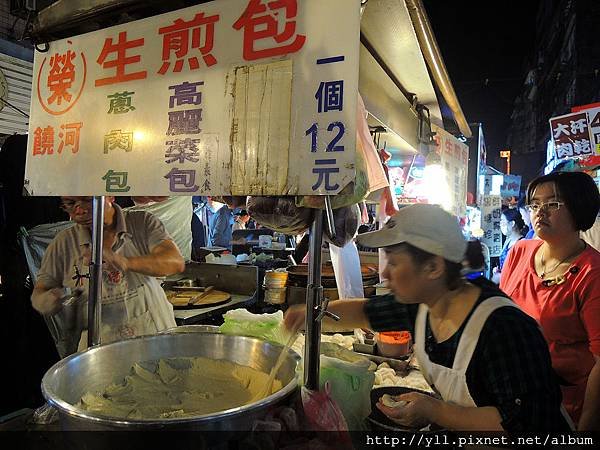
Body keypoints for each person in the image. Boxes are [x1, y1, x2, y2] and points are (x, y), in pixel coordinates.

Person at [284, 204, 571, 431]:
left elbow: (526, 425)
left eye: (394, 263)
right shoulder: (424, 303)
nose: (384, 273)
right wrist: (311, 314)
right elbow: (362, 312)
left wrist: (435, 411)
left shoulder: (504, 329)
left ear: (433, 267)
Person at [500, 171, 600, 430]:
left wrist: (585, 430)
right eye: (534, 204)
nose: (540, 212)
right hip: (512, 393)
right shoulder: (520, 252)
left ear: (579, 207)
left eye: (552, 204)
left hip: (563, 407)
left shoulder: (592, 273)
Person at [31, 196, 185, 355]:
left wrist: (126, 262)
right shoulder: (63, 243)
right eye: (70, 204)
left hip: (155, 339)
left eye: (88, 200)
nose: (79, 211)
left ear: (110, 195)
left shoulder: (142, 222)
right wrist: (47, 301)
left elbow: (175, 262)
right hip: (101, 352)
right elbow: (40, 291)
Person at [491, 208, 527, 283]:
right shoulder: (508, 241)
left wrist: (500, 276)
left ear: (512, 223)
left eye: (503, 222)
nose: (501, 225)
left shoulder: (522, 244)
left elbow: (519, 273)